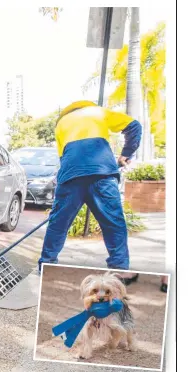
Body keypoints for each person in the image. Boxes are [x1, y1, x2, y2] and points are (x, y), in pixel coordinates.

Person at [38, 100, 142, 271]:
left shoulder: (61, 124)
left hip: (71, 176)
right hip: (102, 174)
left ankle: (46, 264)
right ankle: (120, 268)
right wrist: (126, 154)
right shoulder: (98, 112)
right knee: (113, 222)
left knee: (58, 223)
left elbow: (63, 157)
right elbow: (134, 126)